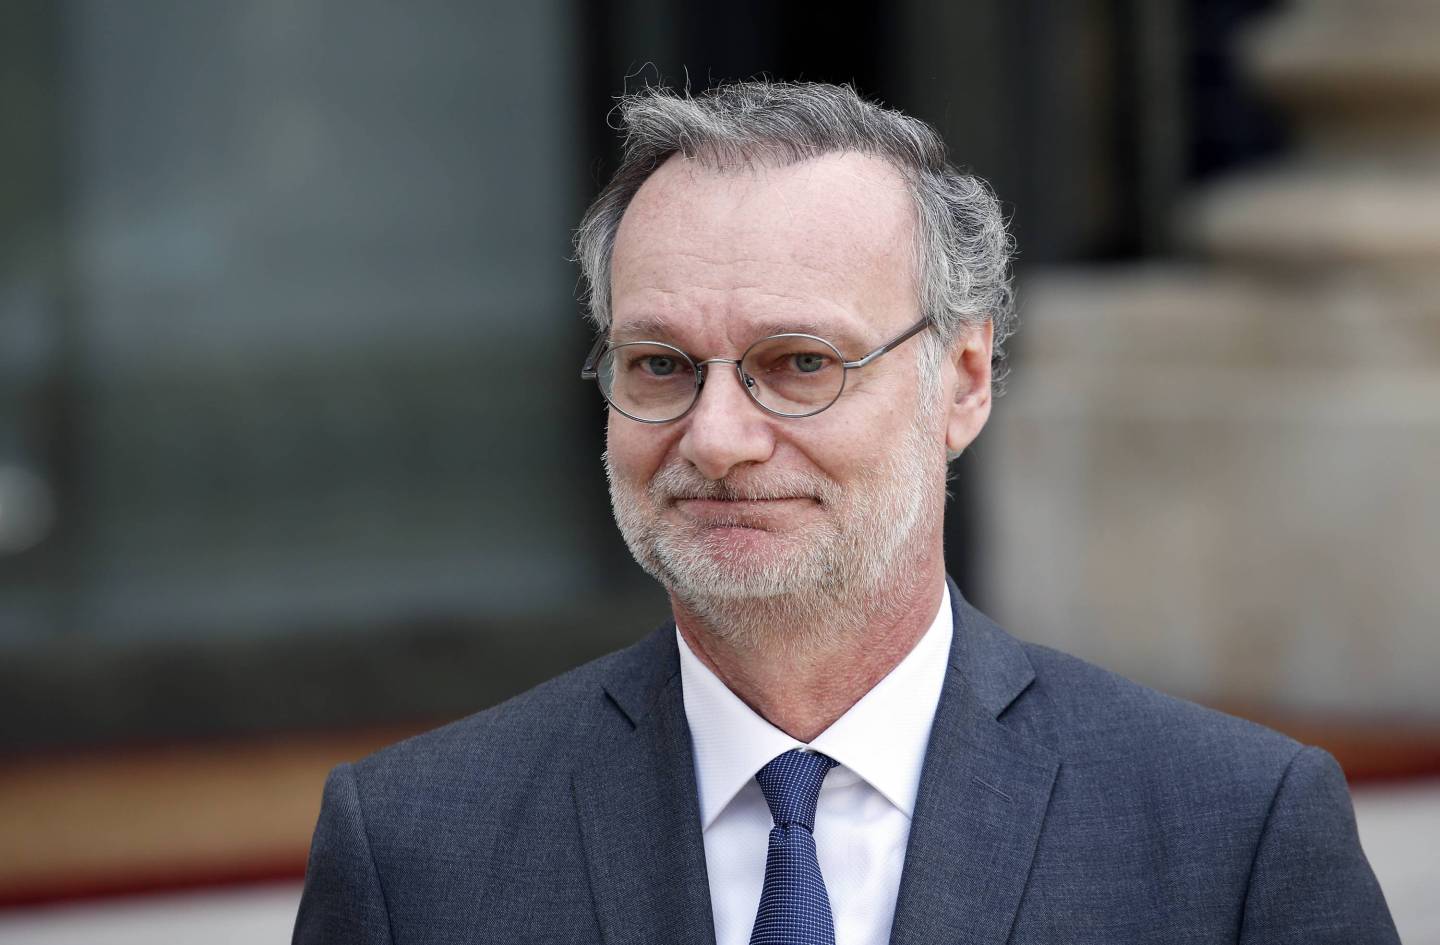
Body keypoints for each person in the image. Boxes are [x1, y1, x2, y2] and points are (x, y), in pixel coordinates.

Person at [292, 81, 1397, 945]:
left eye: (800, 362)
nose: (717, 436)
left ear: (963, 383)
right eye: (663, 364)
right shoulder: (417, 850)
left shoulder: (1230, 832)